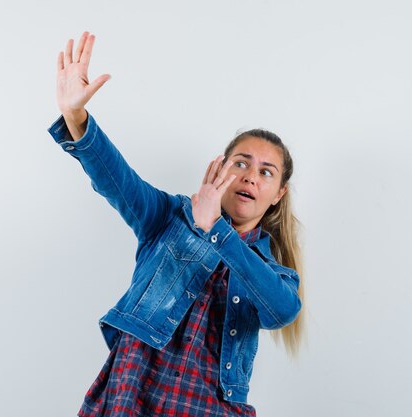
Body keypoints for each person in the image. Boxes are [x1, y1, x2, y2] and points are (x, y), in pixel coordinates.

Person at [47, 31, 305, 417]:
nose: (251, 176)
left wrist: (215, 230)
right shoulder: (170, 217)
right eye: (241, 163)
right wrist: (76, 117)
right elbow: (117, 180)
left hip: (209, 407)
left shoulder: (275, 274)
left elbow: (282, 310)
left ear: (278, 194)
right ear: (220, 167)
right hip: (133, 389)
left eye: (266, 172)